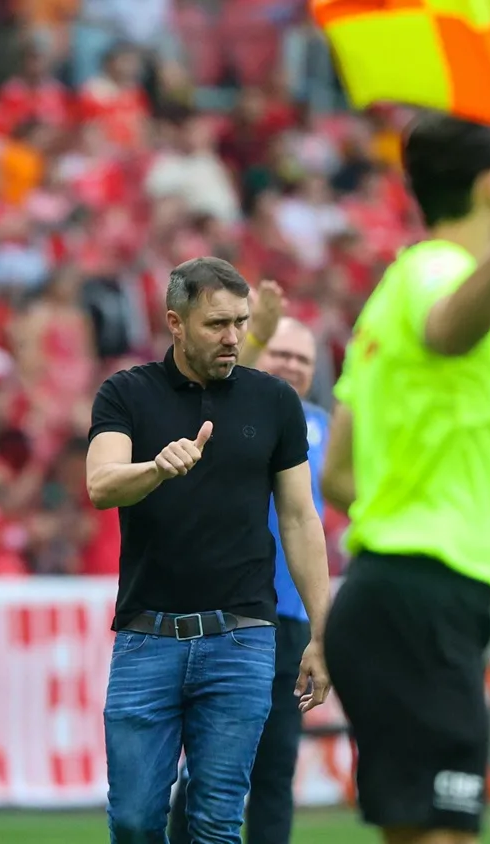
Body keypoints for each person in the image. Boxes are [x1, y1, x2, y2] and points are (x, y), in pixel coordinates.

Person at [319, 113, 490, 844]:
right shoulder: (439, 274)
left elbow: (340, 475)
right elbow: (450, 329)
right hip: (421, 602)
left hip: (391, 598)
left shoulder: (392, 288)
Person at [86, 256, 332, 844]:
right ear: (176, 322)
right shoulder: (126, 393)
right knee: (136, 821)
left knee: (217, 823)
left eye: (242, 323)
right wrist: (155, 468)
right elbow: (100, 485)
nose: (234, 337)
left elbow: (301, 519)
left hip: (242, 636)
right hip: (147, 637)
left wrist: (325, 632)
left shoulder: (273, 402)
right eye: (216, 324)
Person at [168, 301, 331, 844]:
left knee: (276, 768)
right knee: (209, 764)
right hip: (229, 612)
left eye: (301, 358)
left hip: (288, 617)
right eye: (280, 351)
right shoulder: (232, 416)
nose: (291, 365)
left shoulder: (327, 431)